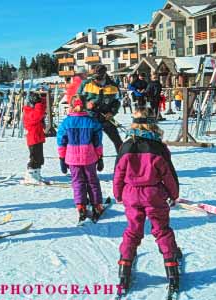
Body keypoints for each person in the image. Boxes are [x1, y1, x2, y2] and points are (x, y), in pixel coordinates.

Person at [113, 108, 181, 294]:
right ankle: (172, 269)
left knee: (133, 231)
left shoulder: (125, 146)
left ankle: (124, 269)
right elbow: (168, 174)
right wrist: (173, 194)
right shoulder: (158, 147)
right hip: (154, 194)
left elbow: (118, 173)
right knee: (161, 230)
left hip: (131, 194)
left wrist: (118, 193)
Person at [57, 97, 104, 223]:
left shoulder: (66, 122)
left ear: (71, 106)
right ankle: (97, 204)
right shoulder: (91, 122)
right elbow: (98, 141)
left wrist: (62, 157)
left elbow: (61, 141)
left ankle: (81, 205)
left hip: (72, 158)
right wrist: (100, 157)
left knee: (77, 182)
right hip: (89, 157)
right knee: (92, 181)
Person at [78, 64, 122, 154]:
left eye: (98, 77)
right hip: (90, 116)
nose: (96, 80)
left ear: (105, 74)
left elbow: (117, 102)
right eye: (95, 77)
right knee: (88, 141)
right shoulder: (86, 84)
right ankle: (91, 160)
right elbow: (77, 99)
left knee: (117, 140)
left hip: (106, 117)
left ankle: (123, 159)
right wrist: (86, 104)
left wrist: (112, 113)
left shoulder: (113, 86)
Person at [23, 91, 46, 184]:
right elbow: (39, 114)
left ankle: (36, 174)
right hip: (33, 138)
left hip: (37, 137)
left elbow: (42, 110)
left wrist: (43, 100)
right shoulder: (29, 112)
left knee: (39, 158)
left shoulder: (33, 110)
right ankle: (30, 175)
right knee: (34, 157)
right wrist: (39, 104)